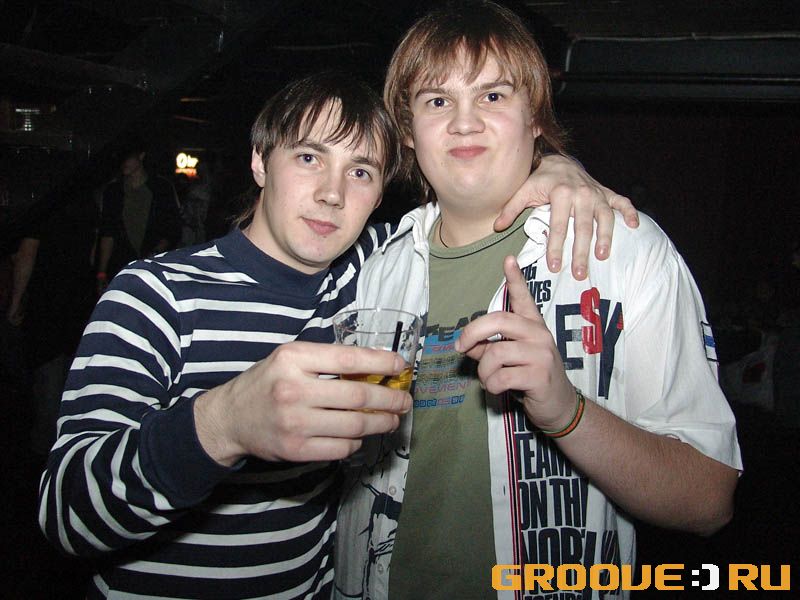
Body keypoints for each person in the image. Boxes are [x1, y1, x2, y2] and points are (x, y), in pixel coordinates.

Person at [38, 71, 632, 599]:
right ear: (259, 161)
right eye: (308, 158)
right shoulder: (157, 293)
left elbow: (469, 196)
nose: (332, 193)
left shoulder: (369, 276)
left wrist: (558, 169)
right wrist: (223, 424)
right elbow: (66, 516)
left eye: (360, 172)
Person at [334, 2, 742, 599]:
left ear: (535, 123)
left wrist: (566, 412)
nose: (464, 123)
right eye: (438, 101)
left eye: (493, 96)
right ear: (409, 131)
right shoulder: (378, 269)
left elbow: (709, 499)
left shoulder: (621, 251)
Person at [95, 140, 182, 291]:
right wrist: (102, 272)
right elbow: (108, 232)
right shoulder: (114, 191)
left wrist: (155, 253)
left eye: (128, 157)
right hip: (121, 265)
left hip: (154, 267)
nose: (124, 163)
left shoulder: (161, 188)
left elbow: (172, 228)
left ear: (141, 156)